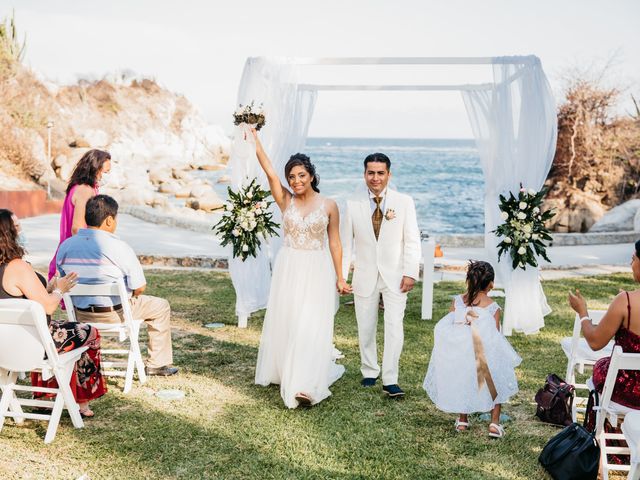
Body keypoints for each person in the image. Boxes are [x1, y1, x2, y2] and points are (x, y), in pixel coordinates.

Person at [252, 130, 351, 409]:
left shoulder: (329, 205)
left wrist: (341, 277)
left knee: (311, 322)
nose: (296, 181)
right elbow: (270, 173)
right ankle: (285, 369)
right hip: (290, 266)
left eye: (301, 176)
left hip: (317, 268)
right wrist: (255, 140)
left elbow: (335, 243)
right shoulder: (286, 201)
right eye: (292, 177)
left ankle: (306, 383)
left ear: (311, 176)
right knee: (290, 318)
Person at [56, 195, 178, 377]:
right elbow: (140, 287)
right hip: (115, 314)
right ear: (109, 220)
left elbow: (63, 281)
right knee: (160, 306)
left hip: (80, 315)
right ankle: (156, 364)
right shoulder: (119, 247)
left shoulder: (66, 246)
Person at [0, 209, 106, 417]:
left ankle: (43, 398)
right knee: (90, 333)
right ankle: (81, 402)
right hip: (33, 344)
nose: (21, 229)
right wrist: (60, 290)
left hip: (4, 345)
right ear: (7, 234)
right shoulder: (17, 267)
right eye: (17, 226)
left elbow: (18, 299)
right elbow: (48, 307)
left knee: (63, 329)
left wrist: (48, 289)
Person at [341, 153, 420, 398]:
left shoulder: (404, 202)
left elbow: (411, 240)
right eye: (371, 173)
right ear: (364, 174)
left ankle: (390, 378)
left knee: (394, 326)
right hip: (364, 275)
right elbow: (346, 244)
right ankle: (369, 370)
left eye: (380, 173)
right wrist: (342, 276)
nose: (375, 178)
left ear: (389, 174)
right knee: (366, 326)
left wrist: (410, 272)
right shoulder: (352, 204)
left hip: (396, 276)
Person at [423, 261, 521, 438]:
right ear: (491, 284)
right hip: (483, 356)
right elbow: (495, 337)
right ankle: (494, 423)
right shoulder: (492, 307)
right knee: (495, 380)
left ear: (468, 281)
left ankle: (462, 420)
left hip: (460, 355)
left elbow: (450, 328)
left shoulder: (458, 302)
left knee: (463, 381)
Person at [568, 241, 640, 409]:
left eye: (633, 258)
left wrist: (582, 312)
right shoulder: (625, 301)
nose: (631, 264)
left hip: (628, 392)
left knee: (601, 367)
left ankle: (604, 431)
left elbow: (595, 342)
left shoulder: (626, 302)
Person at [48, 149, 112, 279]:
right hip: (73, 259)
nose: (107, 175)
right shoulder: (85, 190)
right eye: (106, 172)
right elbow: (77, 229)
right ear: (95, 169)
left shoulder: (81, 187)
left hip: (67, 254)